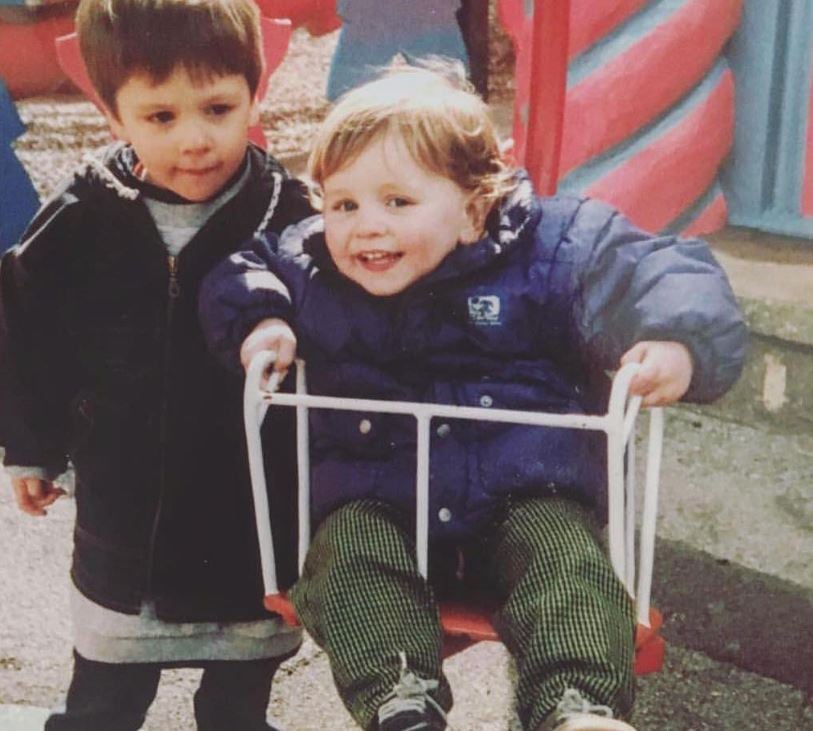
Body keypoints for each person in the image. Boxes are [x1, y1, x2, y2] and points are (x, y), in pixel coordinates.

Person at [199, 63, 747, 731]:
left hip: (522, 493)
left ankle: (577, 705)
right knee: (344, 558)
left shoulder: (553, 252)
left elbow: (662, 269)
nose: (365, 226)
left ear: (472, 208)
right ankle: (400, 702)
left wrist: (673, 340)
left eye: (396, 202)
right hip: (377, 494)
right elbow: (241, 270)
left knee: (567, 566)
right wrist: (263, 319)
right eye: (344, 203)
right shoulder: (312, 263)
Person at [0, 1, 314, 728]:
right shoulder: (84, 213)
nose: (196, 139)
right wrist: (34, 447)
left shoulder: (287, 213)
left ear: (252, 97)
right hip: (125, 509)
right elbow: (29, 333)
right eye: (161, 117)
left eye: (216, 107)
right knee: (106, 697)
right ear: (114, 117)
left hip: (249, 513)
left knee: (236, 701)